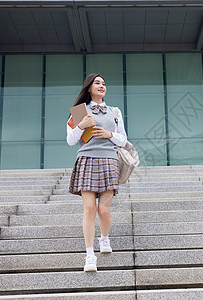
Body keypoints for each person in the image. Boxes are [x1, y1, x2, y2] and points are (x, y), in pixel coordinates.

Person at [66, 73, 127, 272]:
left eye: (103, 83)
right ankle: (90, 255)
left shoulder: (115, 111)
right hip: (86, 159)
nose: (101, 86)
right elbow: (71, 140)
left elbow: (123, 140)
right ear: (89, 88)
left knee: (104, 209)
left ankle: (105, 238)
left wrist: (110, 134)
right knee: (89, 209)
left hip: (109, 160)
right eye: (97, 83)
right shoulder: (78, 111)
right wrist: (81, 126)